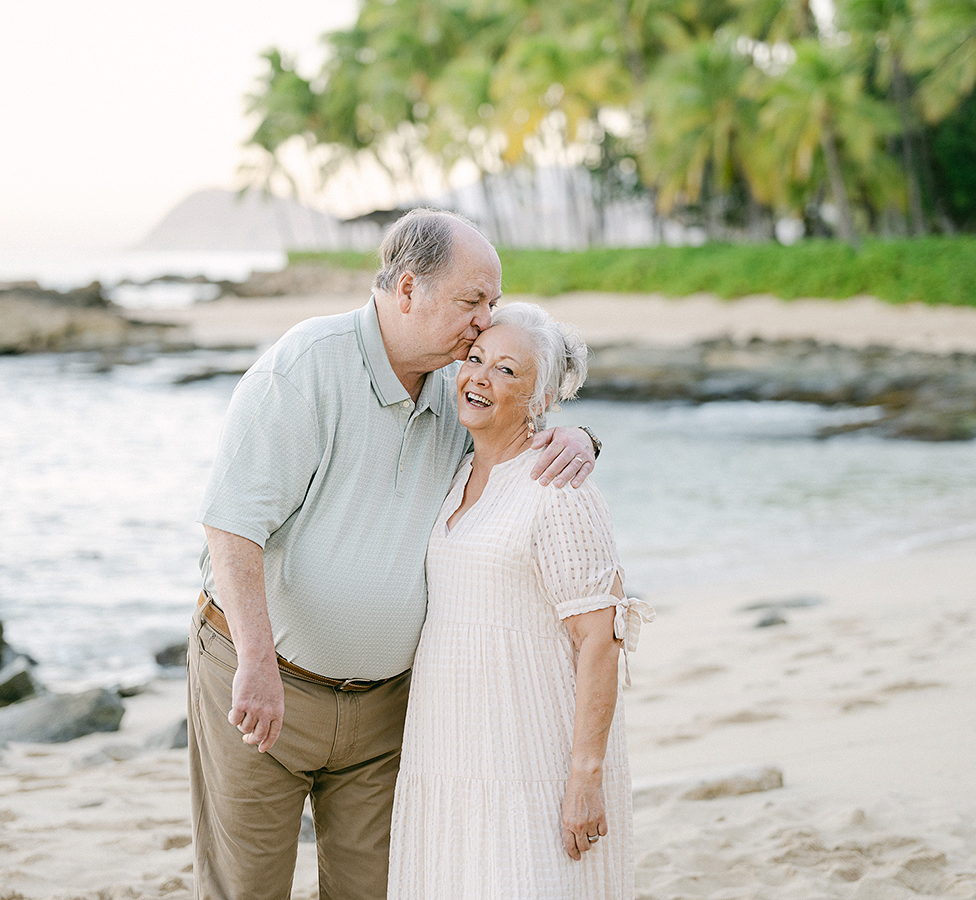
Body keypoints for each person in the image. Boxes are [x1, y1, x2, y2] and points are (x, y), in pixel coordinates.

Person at [187, 209, 601, 900]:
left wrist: (584, 436)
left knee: (376, 889)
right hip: (262, 685)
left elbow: (523, 424)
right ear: (408, 289)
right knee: (245, 889)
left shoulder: (457, 383)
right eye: (473, 302)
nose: (483, 322)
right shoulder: (304, 369)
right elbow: (232, 526)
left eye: (492, 304)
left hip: (383, 712)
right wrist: (257, 664)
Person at [387, 302, 654, 900]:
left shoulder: (559, 490)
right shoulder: (456, 473)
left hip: (530, 752)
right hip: (451, 748)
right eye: (476, 360)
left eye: (508, 370)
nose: (480, 377)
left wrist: (585, 776)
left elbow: (599, 640)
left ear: (543, 400)